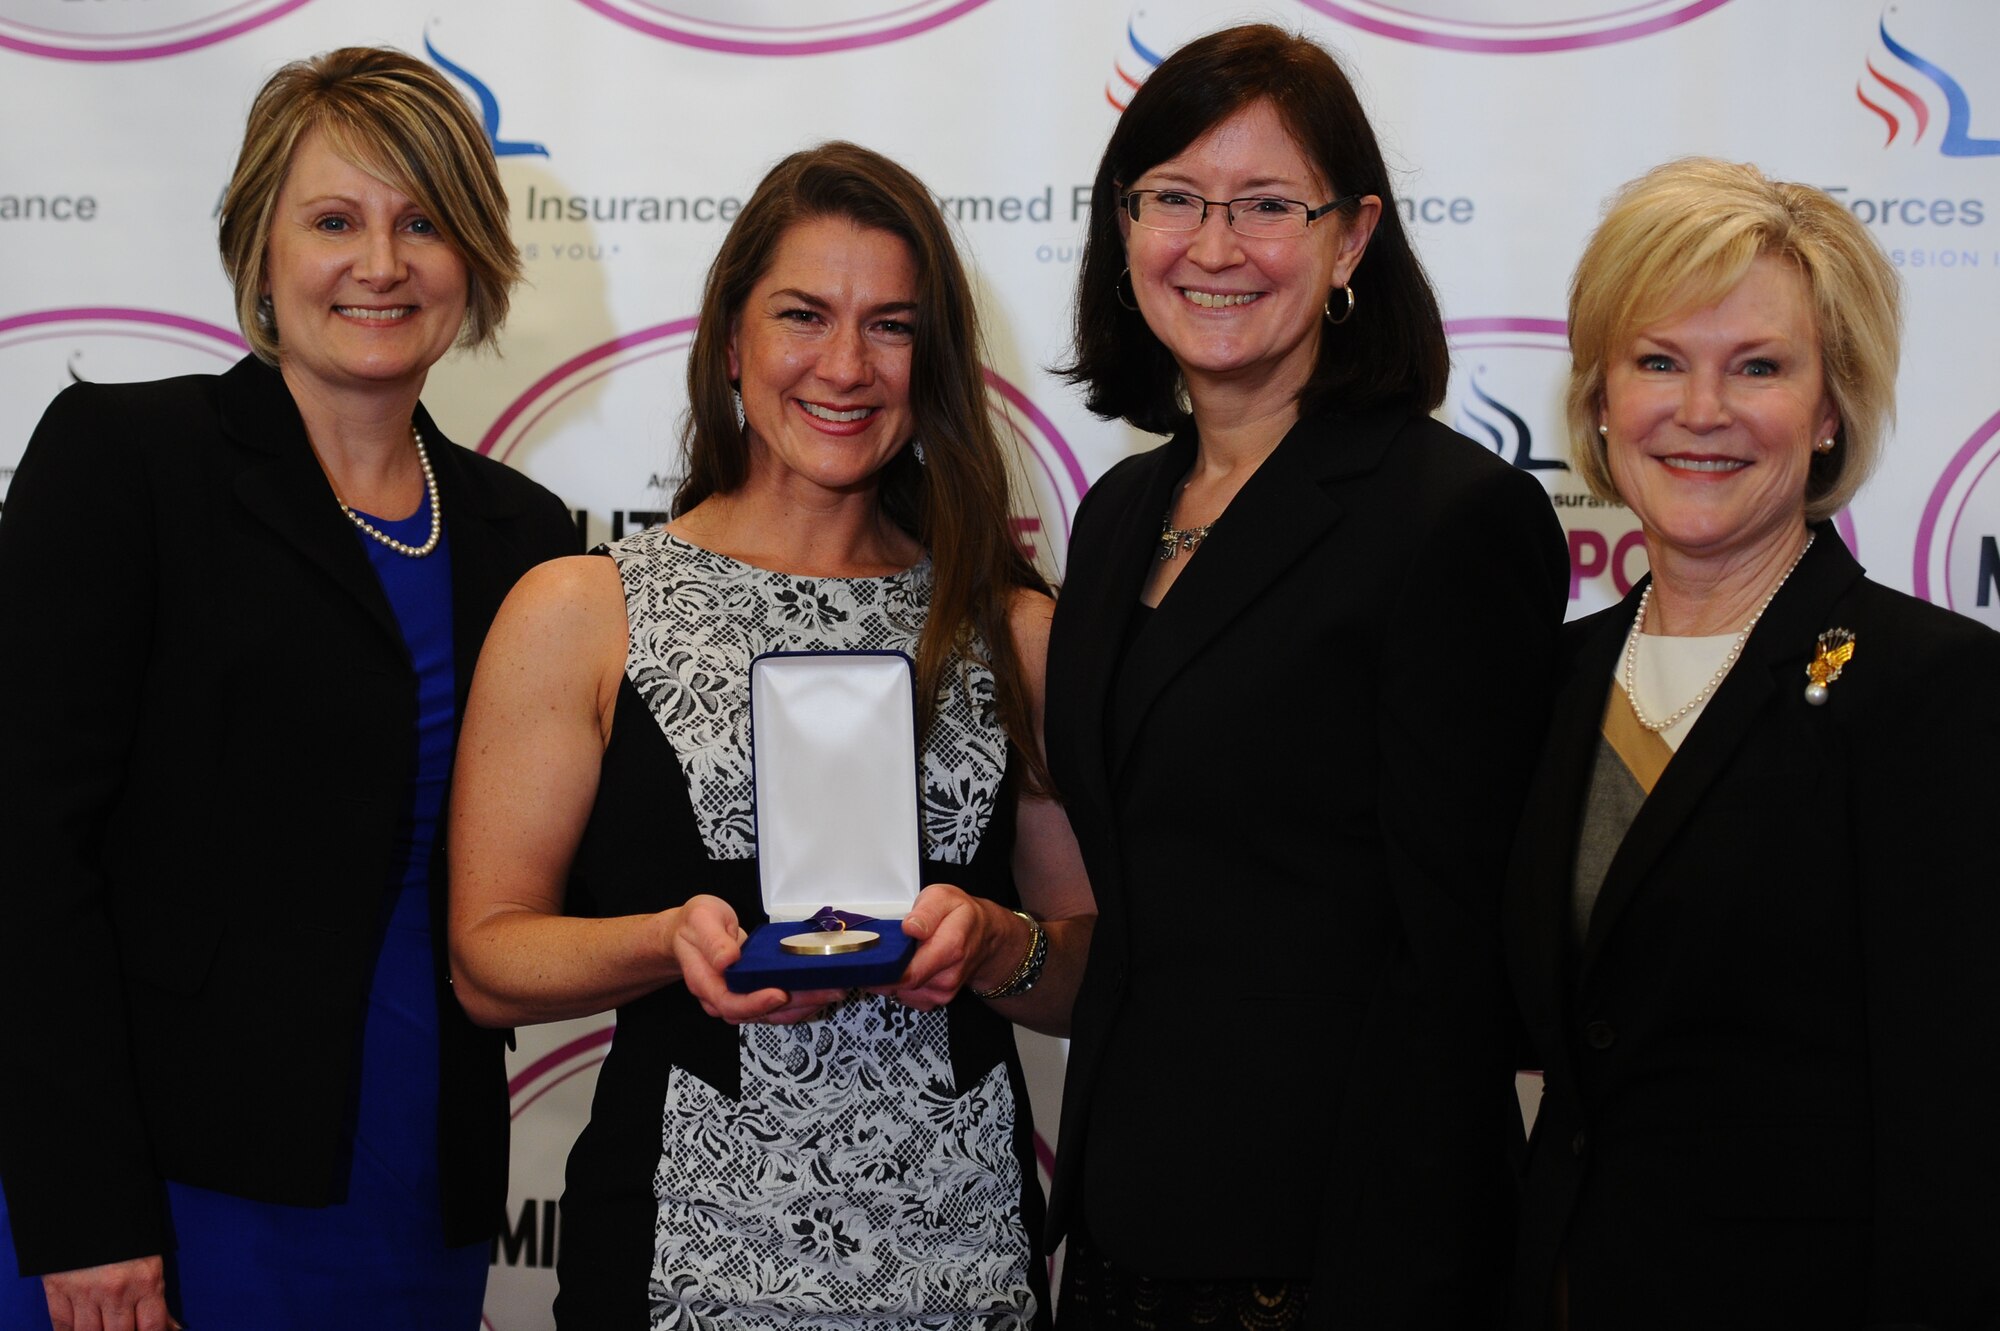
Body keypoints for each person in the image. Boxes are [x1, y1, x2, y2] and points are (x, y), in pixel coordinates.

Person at [447, 140, 1092, 1330]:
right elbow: (487, 960)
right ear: (730, 340)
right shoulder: (584, 610)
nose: (844, 365)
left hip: (963, 1264)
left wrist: (1002, 943)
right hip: (677, 1255)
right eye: (803, 314)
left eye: (891, 325)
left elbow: (1086, 972)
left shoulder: (1015, 627)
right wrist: (665, 939)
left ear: (934, 359)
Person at [0, 47, 574, 1331]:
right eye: (334, 220)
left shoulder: (523, 535)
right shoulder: (127, 465)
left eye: (422, 221)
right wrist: (87, 1209)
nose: (381, 262)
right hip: (163, 1191)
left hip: (421, 1184)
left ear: (473, 256)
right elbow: (26, 863)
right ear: (259, 249)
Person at [1044, 23, 1569, 1330]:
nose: (1212, 246)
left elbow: (1460, 966)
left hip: (1337, 1258)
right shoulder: (1117, 512)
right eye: (1173, 197)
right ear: (1124, 227)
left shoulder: (1450, 518)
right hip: (1121, 1227)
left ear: (1351, 238)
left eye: (1268, 204)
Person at [1505, 157, 2000, 1329]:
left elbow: (1958, 1122)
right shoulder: (1548, 682)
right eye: (1657, 361)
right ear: (1598, 399)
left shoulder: (1932, 690)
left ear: (1829, 409)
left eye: (1758, 367)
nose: (1700, 410)